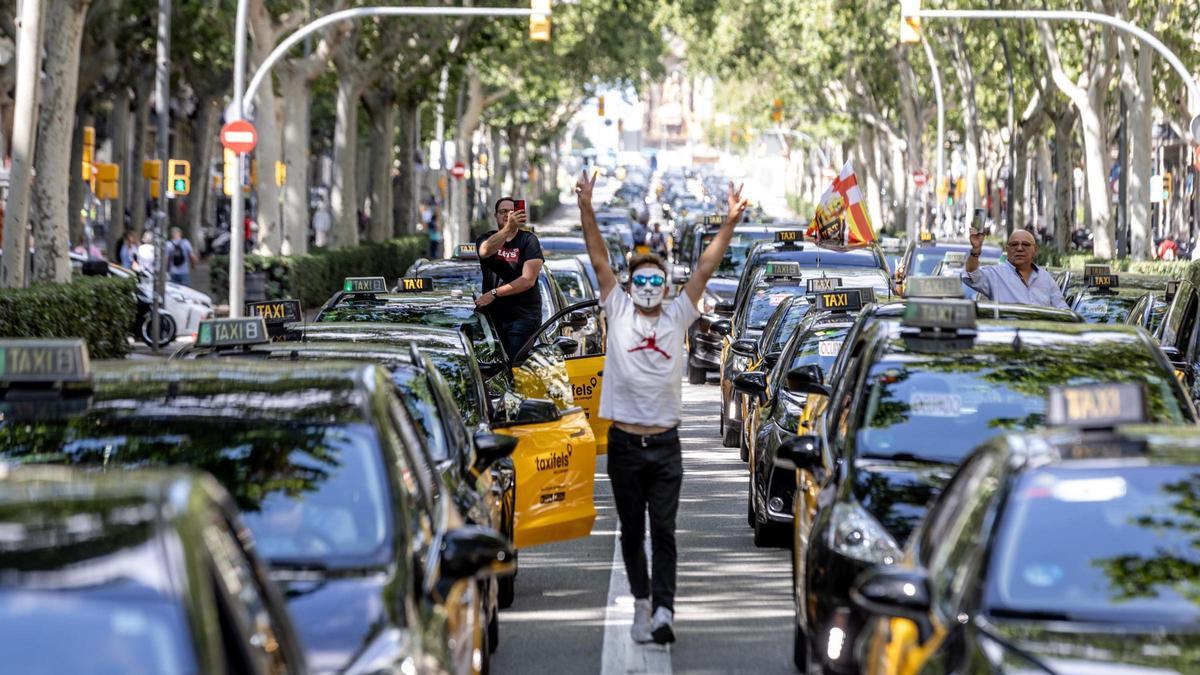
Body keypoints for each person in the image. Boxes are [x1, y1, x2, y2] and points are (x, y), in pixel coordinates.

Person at [577, 169, 748, 645]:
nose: (650, 286)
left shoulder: (678, 313)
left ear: (667, 287)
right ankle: (641, 603)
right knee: (632, 533)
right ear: (630, 286)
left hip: (666, 446)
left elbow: (706, 269)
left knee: (665, 533)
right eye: (641, 279)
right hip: (626, 445)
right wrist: (586, 209)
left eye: (657, 279)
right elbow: (597, 260)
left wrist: (730, 223)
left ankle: (665, 611)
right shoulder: (618, 309)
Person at [474, 197, 545, 360]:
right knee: (491, 366)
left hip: (522, 317)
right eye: (503, 212)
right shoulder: (486, 238)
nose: (507, 215)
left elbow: (527, 280)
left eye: (511, 211)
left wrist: (493, 293)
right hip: (492, 318)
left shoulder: (529, 240)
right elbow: (485, 251)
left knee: (513, 366)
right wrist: (508, 228)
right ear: (495, 215)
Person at [962, 227, 1068, 309]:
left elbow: (1063, 310)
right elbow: (971, 275)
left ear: (1035, 250)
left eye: (1025, 244)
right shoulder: (995, 274)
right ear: (1007, 249)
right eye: (1014, 244)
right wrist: (975, 250)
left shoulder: (1046, 278)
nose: (1019, 248)